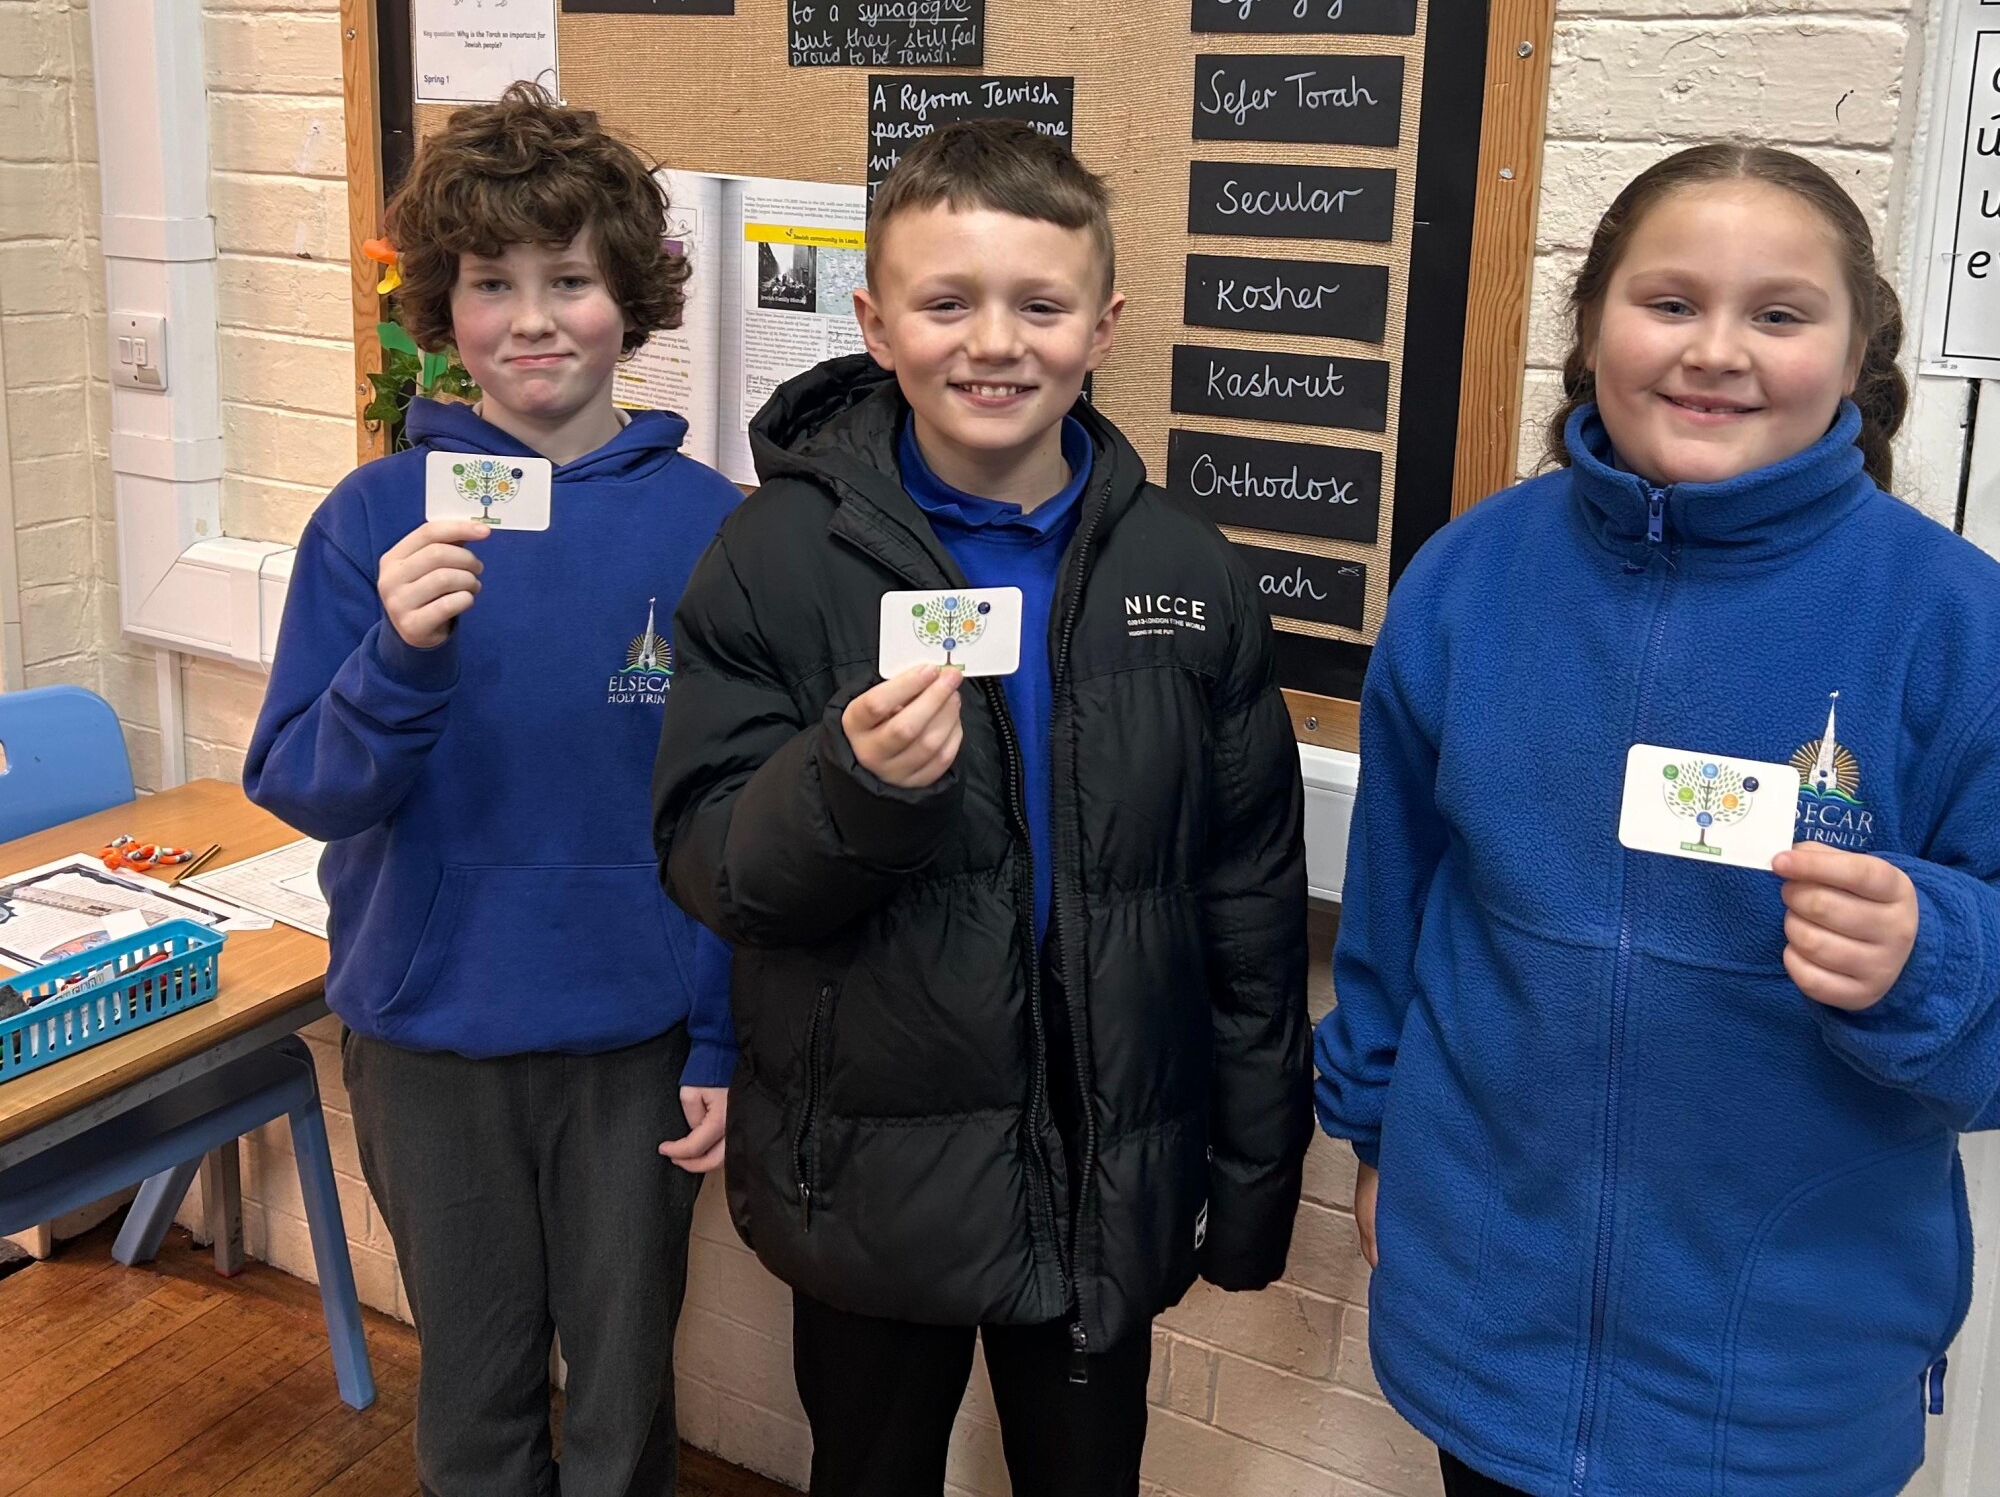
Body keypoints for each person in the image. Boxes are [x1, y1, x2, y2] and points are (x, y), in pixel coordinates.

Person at [1314, 143, 2000, 1497]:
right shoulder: (1467, 582)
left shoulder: (1955, 625)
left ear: (1858, 354)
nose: (1716, 351)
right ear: (1591, 326)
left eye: (1780, 314)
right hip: (1485, 1324)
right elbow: (1395, 912)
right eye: (1671, 301)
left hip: (1783, 1379)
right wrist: (1377, 1134)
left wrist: (1930, 955)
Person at [652, 121, 1311, 1497]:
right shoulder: (777, 557)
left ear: (1104, 326)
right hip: (867, 1169)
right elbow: (716, 866)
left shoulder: (1187, 571)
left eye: (1040, 305)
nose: (994, 343)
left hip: (1099, 1170)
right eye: (947, 303)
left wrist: (1253, 1175)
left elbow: (1246, 898)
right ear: (874, 324)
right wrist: (849, 789)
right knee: (870, 1470)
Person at [246, 83, 741, 1497]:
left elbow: (729, 815)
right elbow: (304, 784)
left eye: (569, 280)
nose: (532, 320)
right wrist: (398, 659)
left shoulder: (710, 526)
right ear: (442, 311)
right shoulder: (373, 518)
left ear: (628, 297)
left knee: (625, 1400)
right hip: (431, 1034)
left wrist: (720, 1035)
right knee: (473, 1402)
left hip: (638, 1041)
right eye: (490, 284)